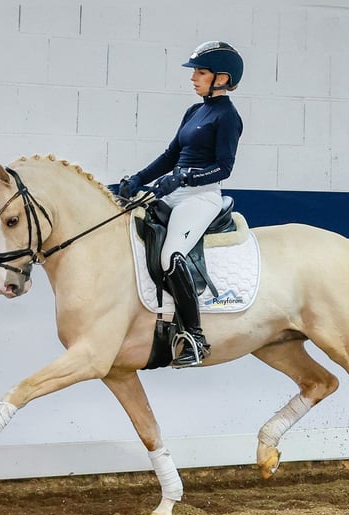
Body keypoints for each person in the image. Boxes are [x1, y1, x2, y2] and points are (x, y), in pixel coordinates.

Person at [119, 41, 244, 368]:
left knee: (170, 255)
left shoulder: (228, 117)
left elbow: (224, 167)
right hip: (173, 188)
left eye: (201, 72)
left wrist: (186, 178)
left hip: (201, 196)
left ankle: (195, 336)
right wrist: (137, 180)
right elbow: (171, 156)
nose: (194, 78)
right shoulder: (194, 112)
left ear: (221, 77)